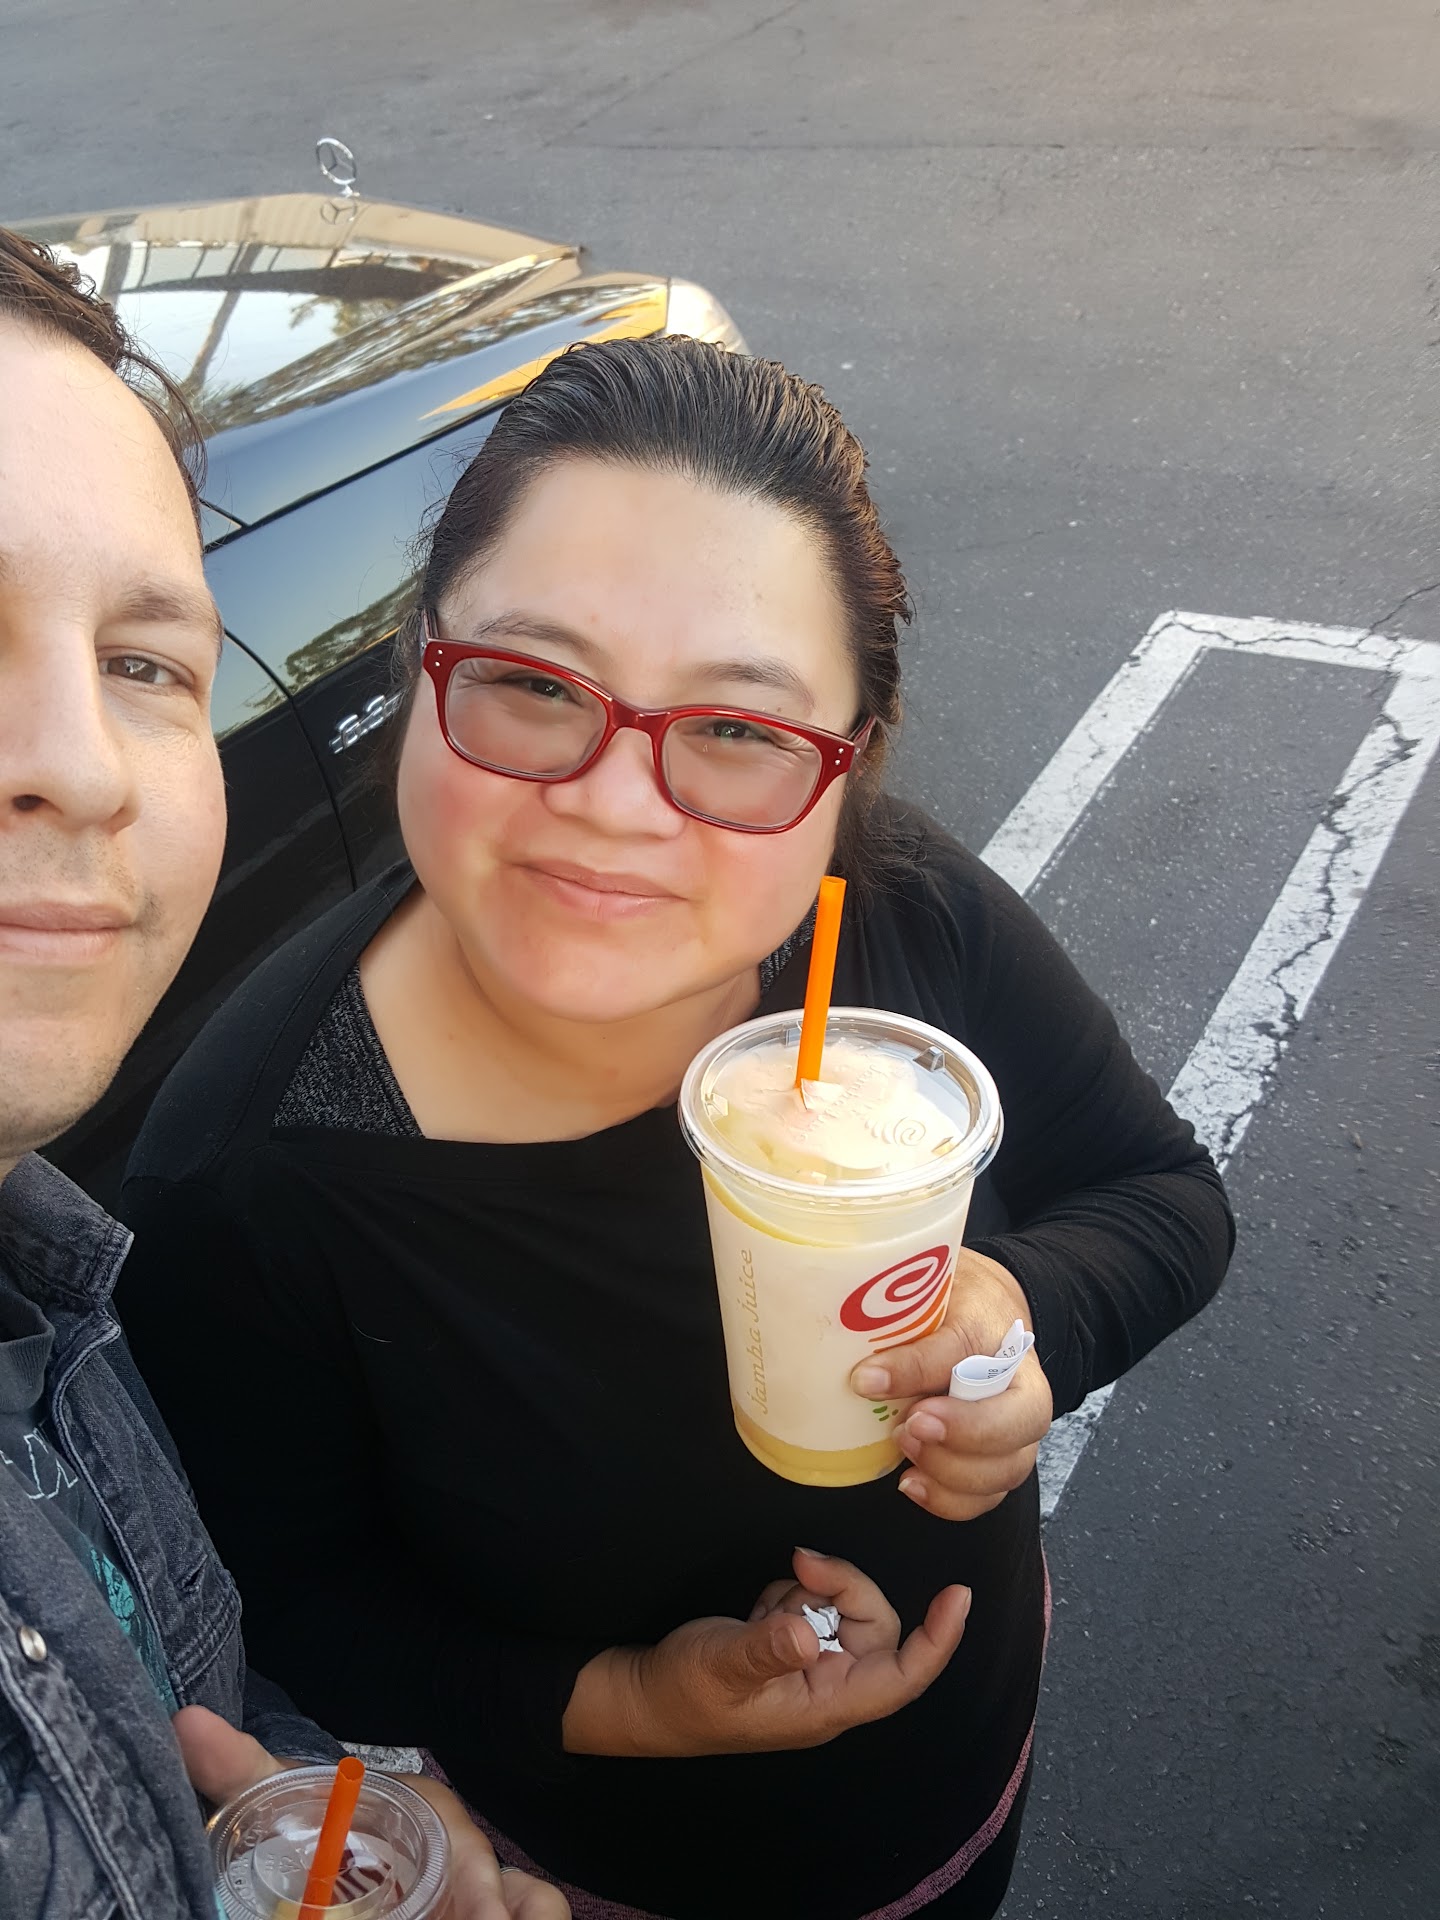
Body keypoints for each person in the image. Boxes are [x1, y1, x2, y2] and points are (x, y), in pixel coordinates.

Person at [119, 337, 1235, 1920]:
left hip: (964, 1780)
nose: (617, 803)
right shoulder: (247, 1176)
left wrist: (1016, 1312)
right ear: (418, 677)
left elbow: (1162, 1196)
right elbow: (302, 1611)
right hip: (604, 1873)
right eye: (531, 685)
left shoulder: (901, 916)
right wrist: (639, 1702)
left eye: (739, 731)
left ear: (846, 768)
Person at [0, 227, 567, 1920]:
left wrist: (345, 1814)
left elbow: (186, 1706)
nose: (82, 766)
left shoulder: (50, 1276)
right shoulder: (240, 1149)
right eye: (533, 691)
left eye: (142, 665)